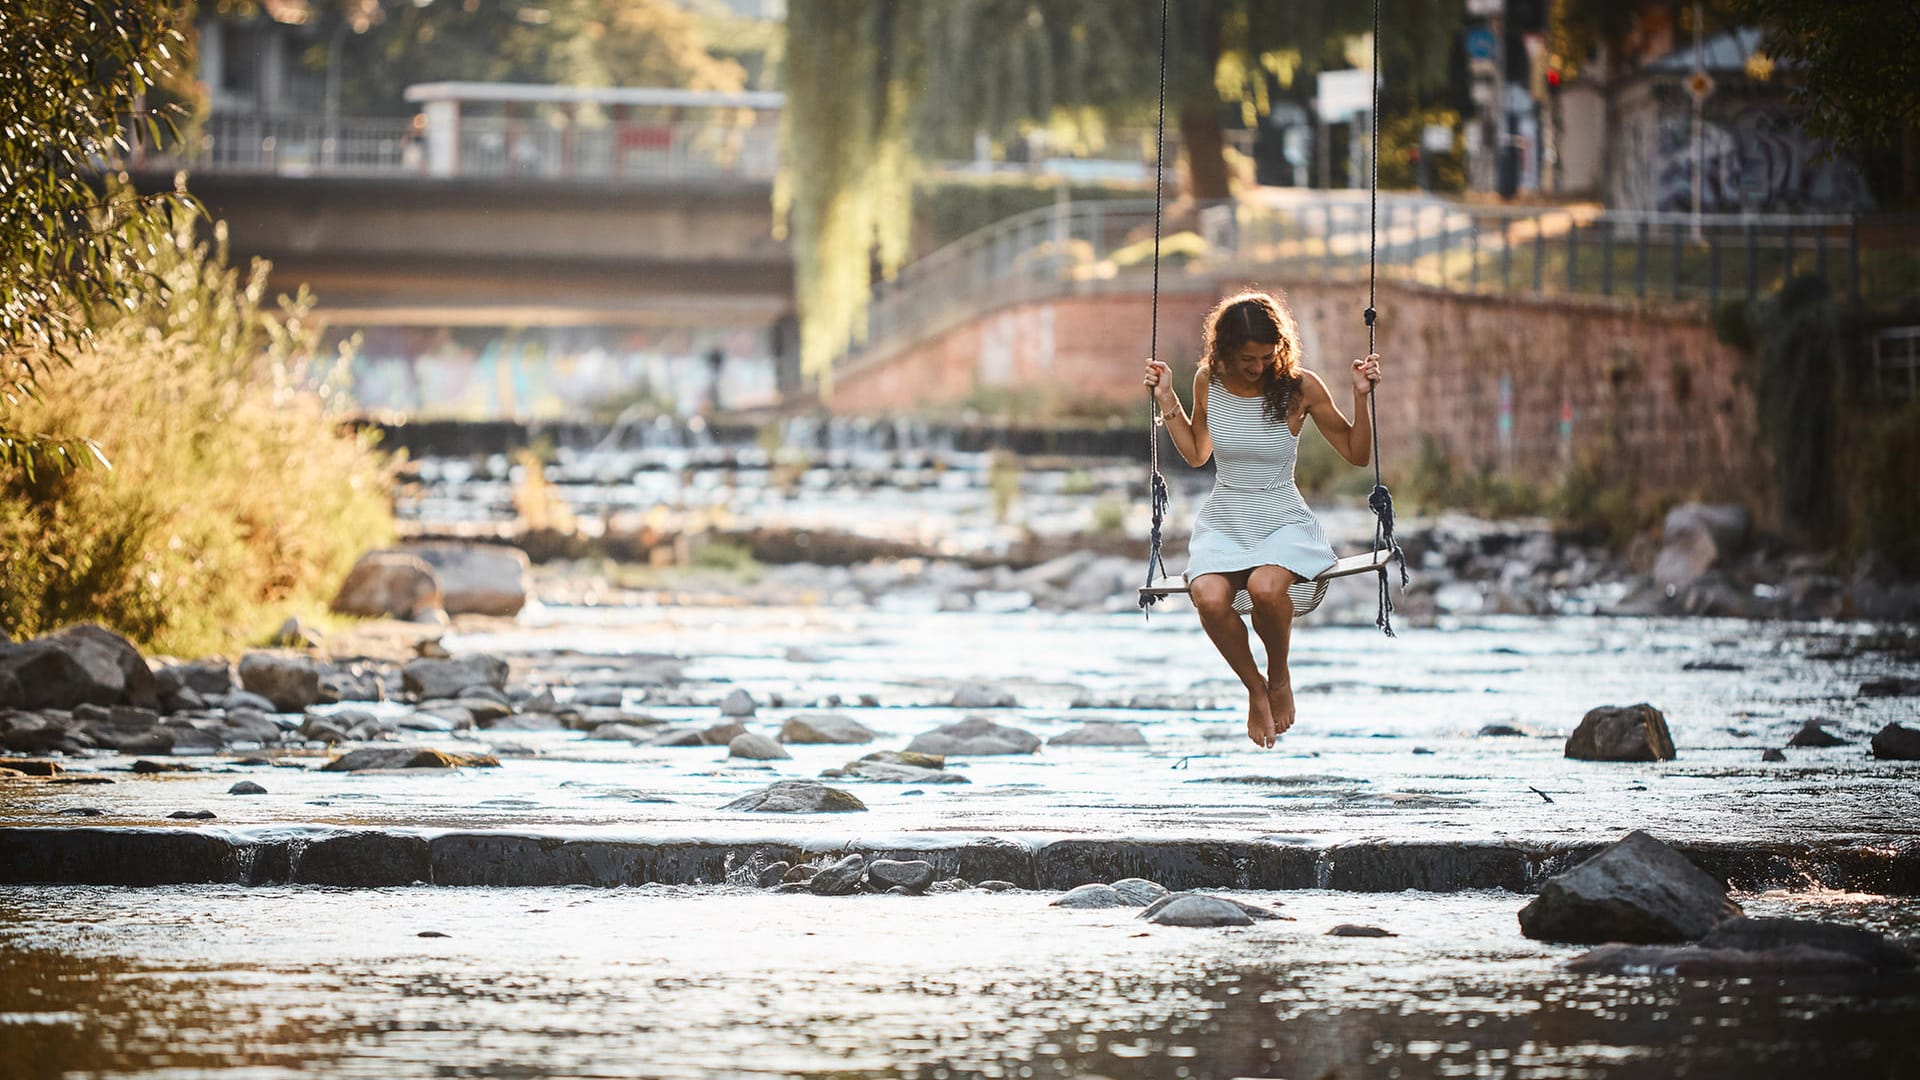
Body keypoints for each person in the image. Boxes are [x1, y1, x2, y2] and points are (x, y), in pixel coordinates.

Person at [1141, 289, 1383, 749]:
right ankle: (1255, 688)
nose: (1258, 367)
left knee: (1266, 588)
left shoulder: (1300, 387)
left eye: (1267, 356)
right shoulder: (1207, 381)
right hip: (1226, 516)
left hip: (1281, 517)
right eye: (1248, 358)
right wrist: (1167, 396)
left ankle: (1278, 675)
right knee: (1209, 597)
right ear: (1226, 351)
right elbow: (1196, 453)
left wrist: (1361, 398)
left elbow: (1356, 453)